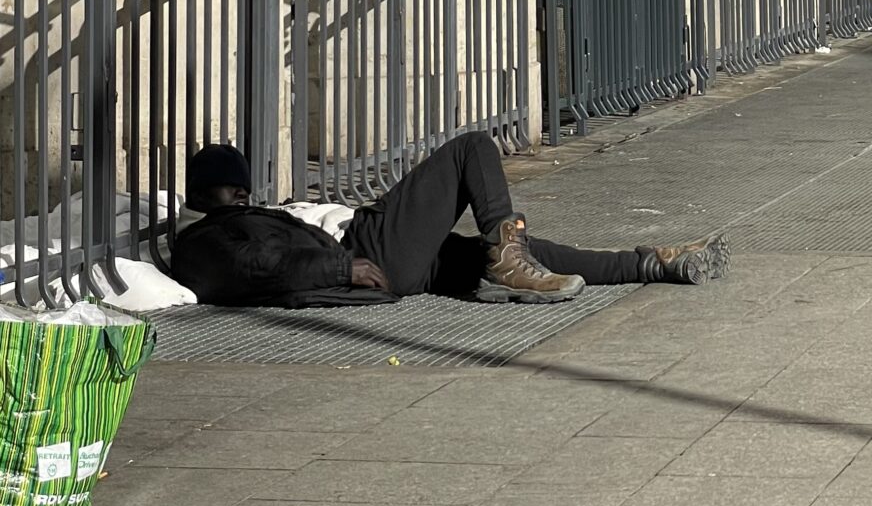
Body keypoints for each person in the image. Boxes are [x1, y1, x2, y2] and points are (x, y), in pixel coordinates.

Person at [169, 134, 728, 308]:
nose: (241, 191)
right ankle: (508, 260)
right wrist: (341, 266)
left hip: (372, 251)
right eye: (229, 185)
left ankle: (650, 264)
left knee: (510, 250)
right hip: (366, 249)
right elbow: (253, 266)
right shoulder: (204, 238)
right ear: (200, 194)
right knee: (471, 150)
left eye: (242, 184)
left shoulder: (241, 216)